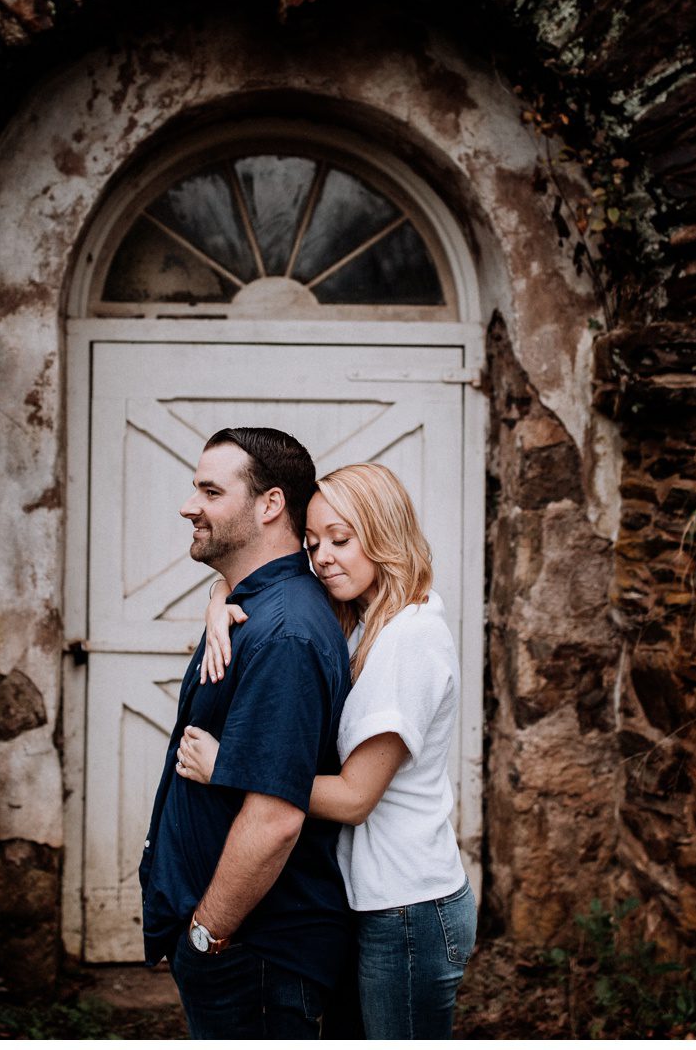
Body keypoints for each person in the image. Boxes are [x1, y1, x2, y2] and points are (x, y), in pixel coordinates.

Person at [176, 462, 475, 1039]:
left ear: (386, 533)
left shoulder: (409, 638)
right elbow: (256, 578)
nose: (323, 558)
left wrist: (230, 768)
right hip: (371, 902)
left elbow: (356, 797)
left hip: (410, 908)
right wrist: (220, 602)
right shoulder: (366, 618)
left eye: (342, 539)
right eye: (313, 544)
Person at [138, 427, 354, 1039]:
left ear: (270, 505)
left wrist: (207, 935)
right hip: (247, 950)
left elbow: (277, 815)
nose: (189, 505)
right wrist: (220, 591)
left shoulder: (283, 633)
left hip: (257, 954)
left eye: (210, 490)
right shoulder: (252, 606)